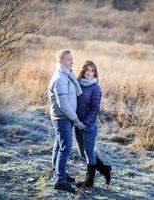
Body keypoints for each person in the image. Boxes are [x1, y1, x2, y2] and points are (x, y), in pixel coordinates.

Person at [48, 50, 86, 193]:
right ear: (60, 61)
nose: (72, 61)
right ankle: (60, 181)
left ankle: (60, 173)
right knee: (66, 149)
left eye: (72, 59)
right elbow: (63, 104)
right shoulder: (60, 79)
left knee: (59, 146)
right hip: (62, 118)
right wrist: (76, 120)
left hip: (64, 118)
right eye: (69, 59)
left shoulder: (66, 75)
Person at [75, 60, 112, 188]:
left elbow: (95, 109)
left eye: (92, 70)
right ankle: (104, 169)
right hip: (77, 124)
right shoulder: (77, 84)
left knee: (89, 153)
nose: (89, 73)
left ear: (95, 72)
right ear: (83, 71)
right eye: (87, 70)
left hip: (88, 126)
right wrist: (75, 121)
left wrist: (84, 123)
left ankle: (89, 181)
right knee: (82, 153)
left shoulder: (95, 88)